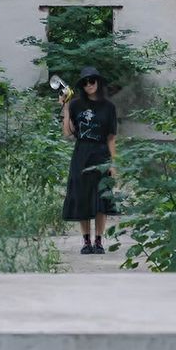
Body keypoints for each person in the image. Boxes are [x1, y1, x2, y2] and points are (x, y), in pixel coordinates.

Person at [61, 66, 118, 255]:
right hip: (81, 154)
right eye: (84, 83)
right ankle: (86, 241)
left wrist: (113, 163)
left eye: (91, 81)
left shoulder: (109, 107)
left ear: (98, 82)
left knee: (102, 198)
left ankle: (99, 241)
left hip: (101, 154)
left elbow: (111, 137)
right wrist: (66, 108)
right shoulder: (76, 105)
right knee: (81, 196)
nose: (88, 85)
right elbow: (68, 133)